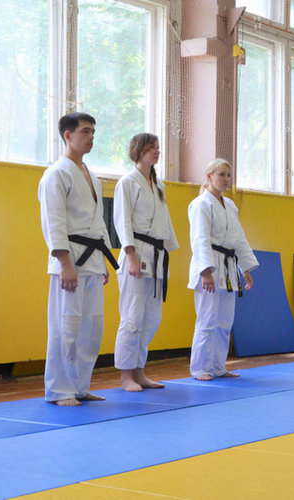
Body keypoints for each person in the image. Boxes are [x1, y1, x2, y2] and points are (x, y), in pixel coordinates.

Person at [38, 112, 119, 406]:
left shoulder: (91, 176)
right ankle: (60, 390)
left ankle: (80, 386)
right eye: (85, 131)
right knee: (66, 326)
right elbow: (53, 222)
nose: (91, 137)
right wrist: (64, 264)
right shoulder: (56, 174)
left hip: (92, 260)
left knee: (91, 328)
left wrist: (103, 260)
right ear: (67, 135)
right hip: (70, 260)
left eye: (93, 132)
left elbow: (98, 222)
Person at [113, 133, 179, 391]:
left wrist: (168, 248)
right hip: (137, 253)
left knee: (151, 319)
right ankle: (126, 376)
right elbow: (122, 221)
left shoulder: (159, 184)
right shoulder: (127, 182)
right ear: (138, 151)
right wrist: (131, 256)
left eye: (158, 148)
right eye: (152, 148)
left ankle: (140, 372)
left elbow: (165, 221)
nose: (157, 152)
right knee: (132, 317)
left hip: (156, 255)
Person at [187, 158, 259, 381]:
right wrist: (205, 271)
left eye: (228, 175)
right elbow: (199, 239)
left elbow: (239, 239)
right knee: (207, 321)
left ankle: (219, 367)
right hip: (209, 266)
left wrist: (245, 268)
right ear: (209, 177)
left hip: (228, 268)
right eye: (221, 175)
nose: (226, 179)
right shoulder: (201, 204)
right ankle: (200, 368)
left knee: (224, 322)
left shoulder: (230, 206)